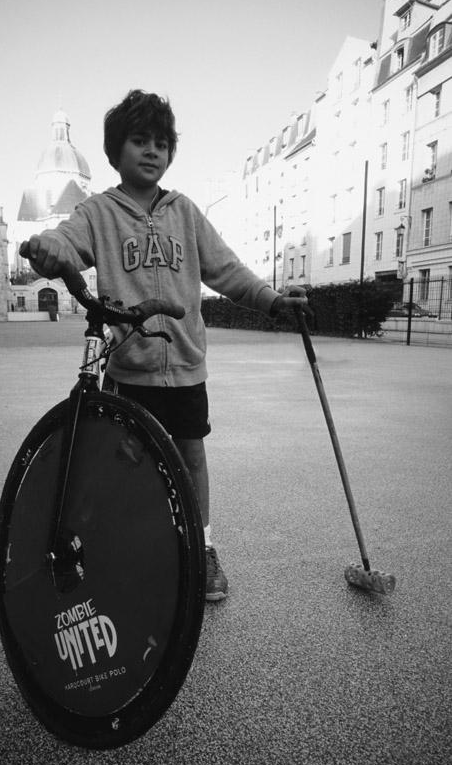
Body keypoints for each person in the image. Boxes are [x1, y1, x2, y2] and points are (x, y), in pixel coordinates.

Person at [20, 89, 308, 602]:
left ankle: (202, 546)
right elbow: (66, 240)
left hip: (186, 368)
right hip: (130, 368)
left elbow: (226, 268)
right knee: (125, 461)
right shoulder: (99, 212)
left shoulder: (185, 212)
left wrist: (270, 301)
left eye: (161, 142)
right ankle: (136, 546)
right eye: (139, 141)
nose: (152, 151)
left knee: (192, 456)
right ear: (116, 151)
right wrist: (48, 250)